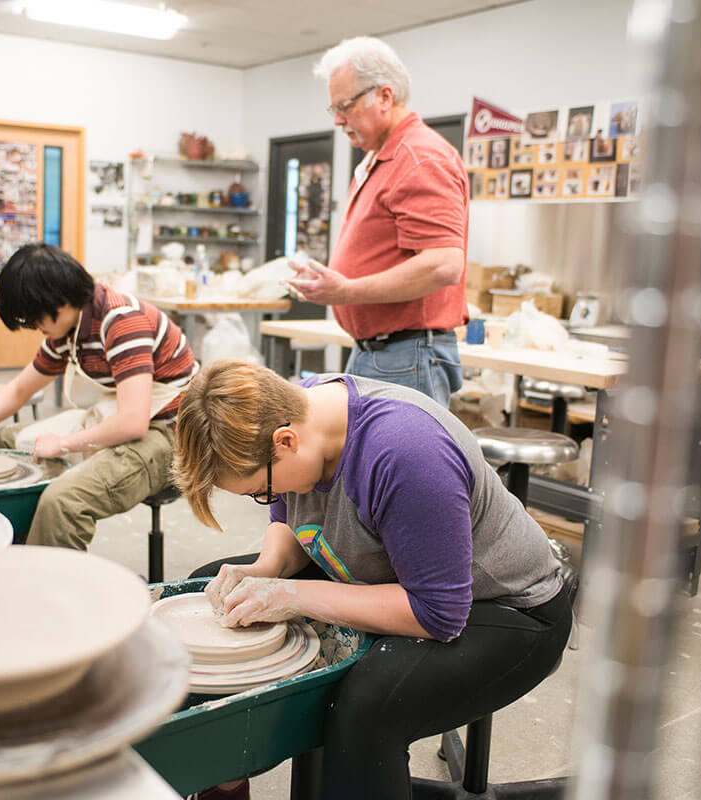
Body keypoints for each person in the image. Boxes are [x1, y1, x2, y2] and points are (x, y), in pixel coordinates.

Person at [172, 360, 570, 799]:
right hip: (381, 569)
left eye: (259, 491)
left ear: (285, 441)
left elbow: (438, 612)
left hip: (507, 608)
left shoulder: (405, 452)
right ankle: (225, 776)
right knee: (207, 587)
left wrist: (293, 593)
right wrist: (267, 569)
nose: (267, 500)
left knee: (366, 704)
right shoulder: (292, 411)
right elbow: (293, 523)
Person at [0, 243, 197, 549]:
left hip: (168, 434)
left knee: (62, 502)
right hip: (114, 414)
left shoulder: (122, 322)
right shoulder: (68, 328)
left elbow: (133, 422)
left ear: (58, 301)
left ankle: (47, 584)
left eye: (35, 319)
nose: (35, 328)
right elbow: (21, 388)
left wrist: (62, 443)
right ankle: (16, 555)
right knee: (5, 441)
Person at [286, 36, 470, 406]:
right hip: (382, 352)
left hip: (407, 354)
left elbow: (444, 264)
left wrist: (346, 292)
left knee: (401, 464)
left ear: (385, 97)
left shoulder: (420, 158)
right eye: (333, 108)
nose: (338, 120)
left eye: (346, 106)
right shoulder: (382, 158)